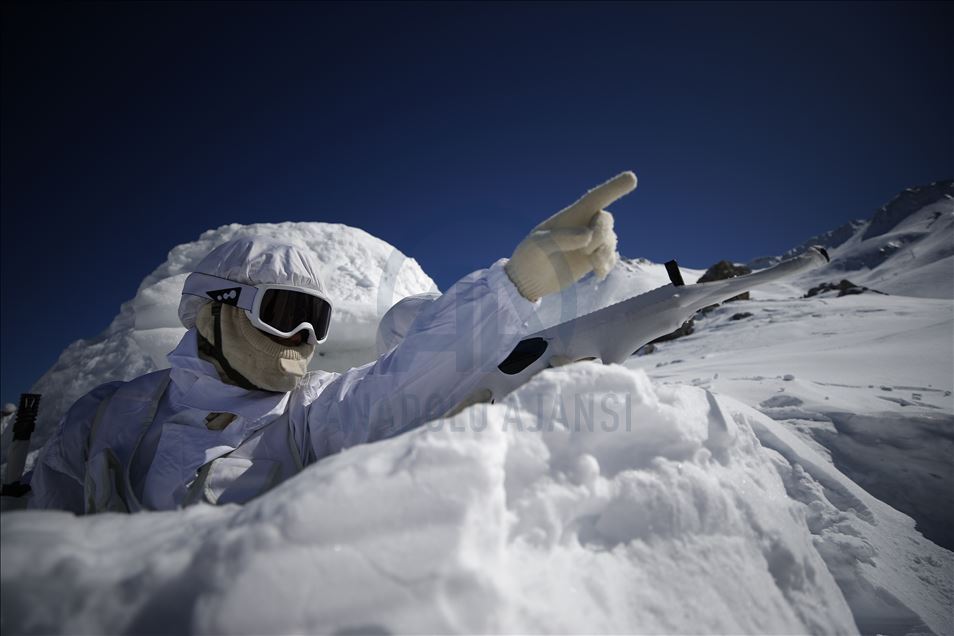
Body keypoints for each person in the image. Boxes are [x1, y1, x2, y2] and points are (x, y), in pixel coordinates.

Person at [28, 172, 636, 513]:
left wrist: (518, 285)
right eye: (285, 313)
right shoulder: (103, 417)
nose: (303, 338)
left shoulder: (308, 417)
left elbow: (398, 382)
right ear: (212, 311)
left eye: (315, 320)